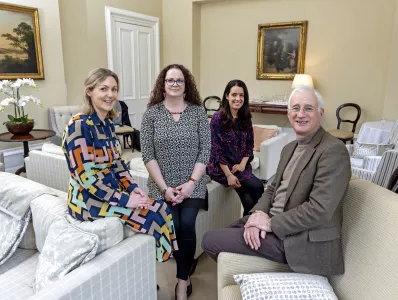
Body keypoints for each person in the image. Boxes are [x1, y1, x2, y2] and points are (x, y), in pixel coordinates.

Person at [202, 86, 351, 276]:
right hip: (274, 223)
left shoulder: (333, 151)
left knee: (210, 240)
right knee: (228, 230)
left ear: (321, 112)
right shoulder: (289, 148)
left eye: (308, 108)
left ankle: (275, 276)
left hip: (300, 239)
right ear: (289, 113)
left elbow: (319, 210)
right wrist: (257, 215)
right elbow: (272, 189)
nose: (301, 114)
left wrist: (271, 224)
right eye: (295, 108)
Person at [62, 68, 178, 264]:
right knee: (153, 216)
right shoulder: (79, 127)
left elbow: (117, 165)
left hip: (110, 192)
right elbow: (87, 179)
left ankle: (164, 261)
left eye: (114, 89)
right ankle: (155, 265)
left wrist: (135, 190)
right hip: (87, 200)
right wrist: (126, 200)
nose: (110, 95)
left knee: (161, 207)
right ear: (89, 91)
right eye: (104, 89)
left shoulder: (107, 123)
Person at [140, 64, 210, 300]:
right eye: (170, 80)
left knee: (186, 225)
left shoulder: (198, 112)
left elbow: (205, 150)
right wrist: (165, 188)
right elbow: (147, 155)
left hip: (193, 183)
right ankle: (185, 275)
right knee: (173, 226)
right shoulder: (151, 114)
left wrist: (191, 183)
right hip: (162, 186)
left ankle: (181, 282)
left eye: (179, 80)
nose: (175, 84)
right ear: (163, 84)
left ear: (186, 84)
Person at [207, 79, 264, 217]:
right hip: (221, 168)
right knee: (258, 186)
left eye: (241, 95)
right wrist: (229, 175)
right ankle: (249, 224)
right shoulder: (217, 118)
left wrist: (243, 164)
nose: (238, 99)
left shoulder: (245, 117)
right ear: (227, 96)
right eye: (234, 95)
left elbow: (250, 144)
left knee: (248, 200)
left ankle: (247, 225)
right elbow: (215, 150)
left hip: (240, 166)